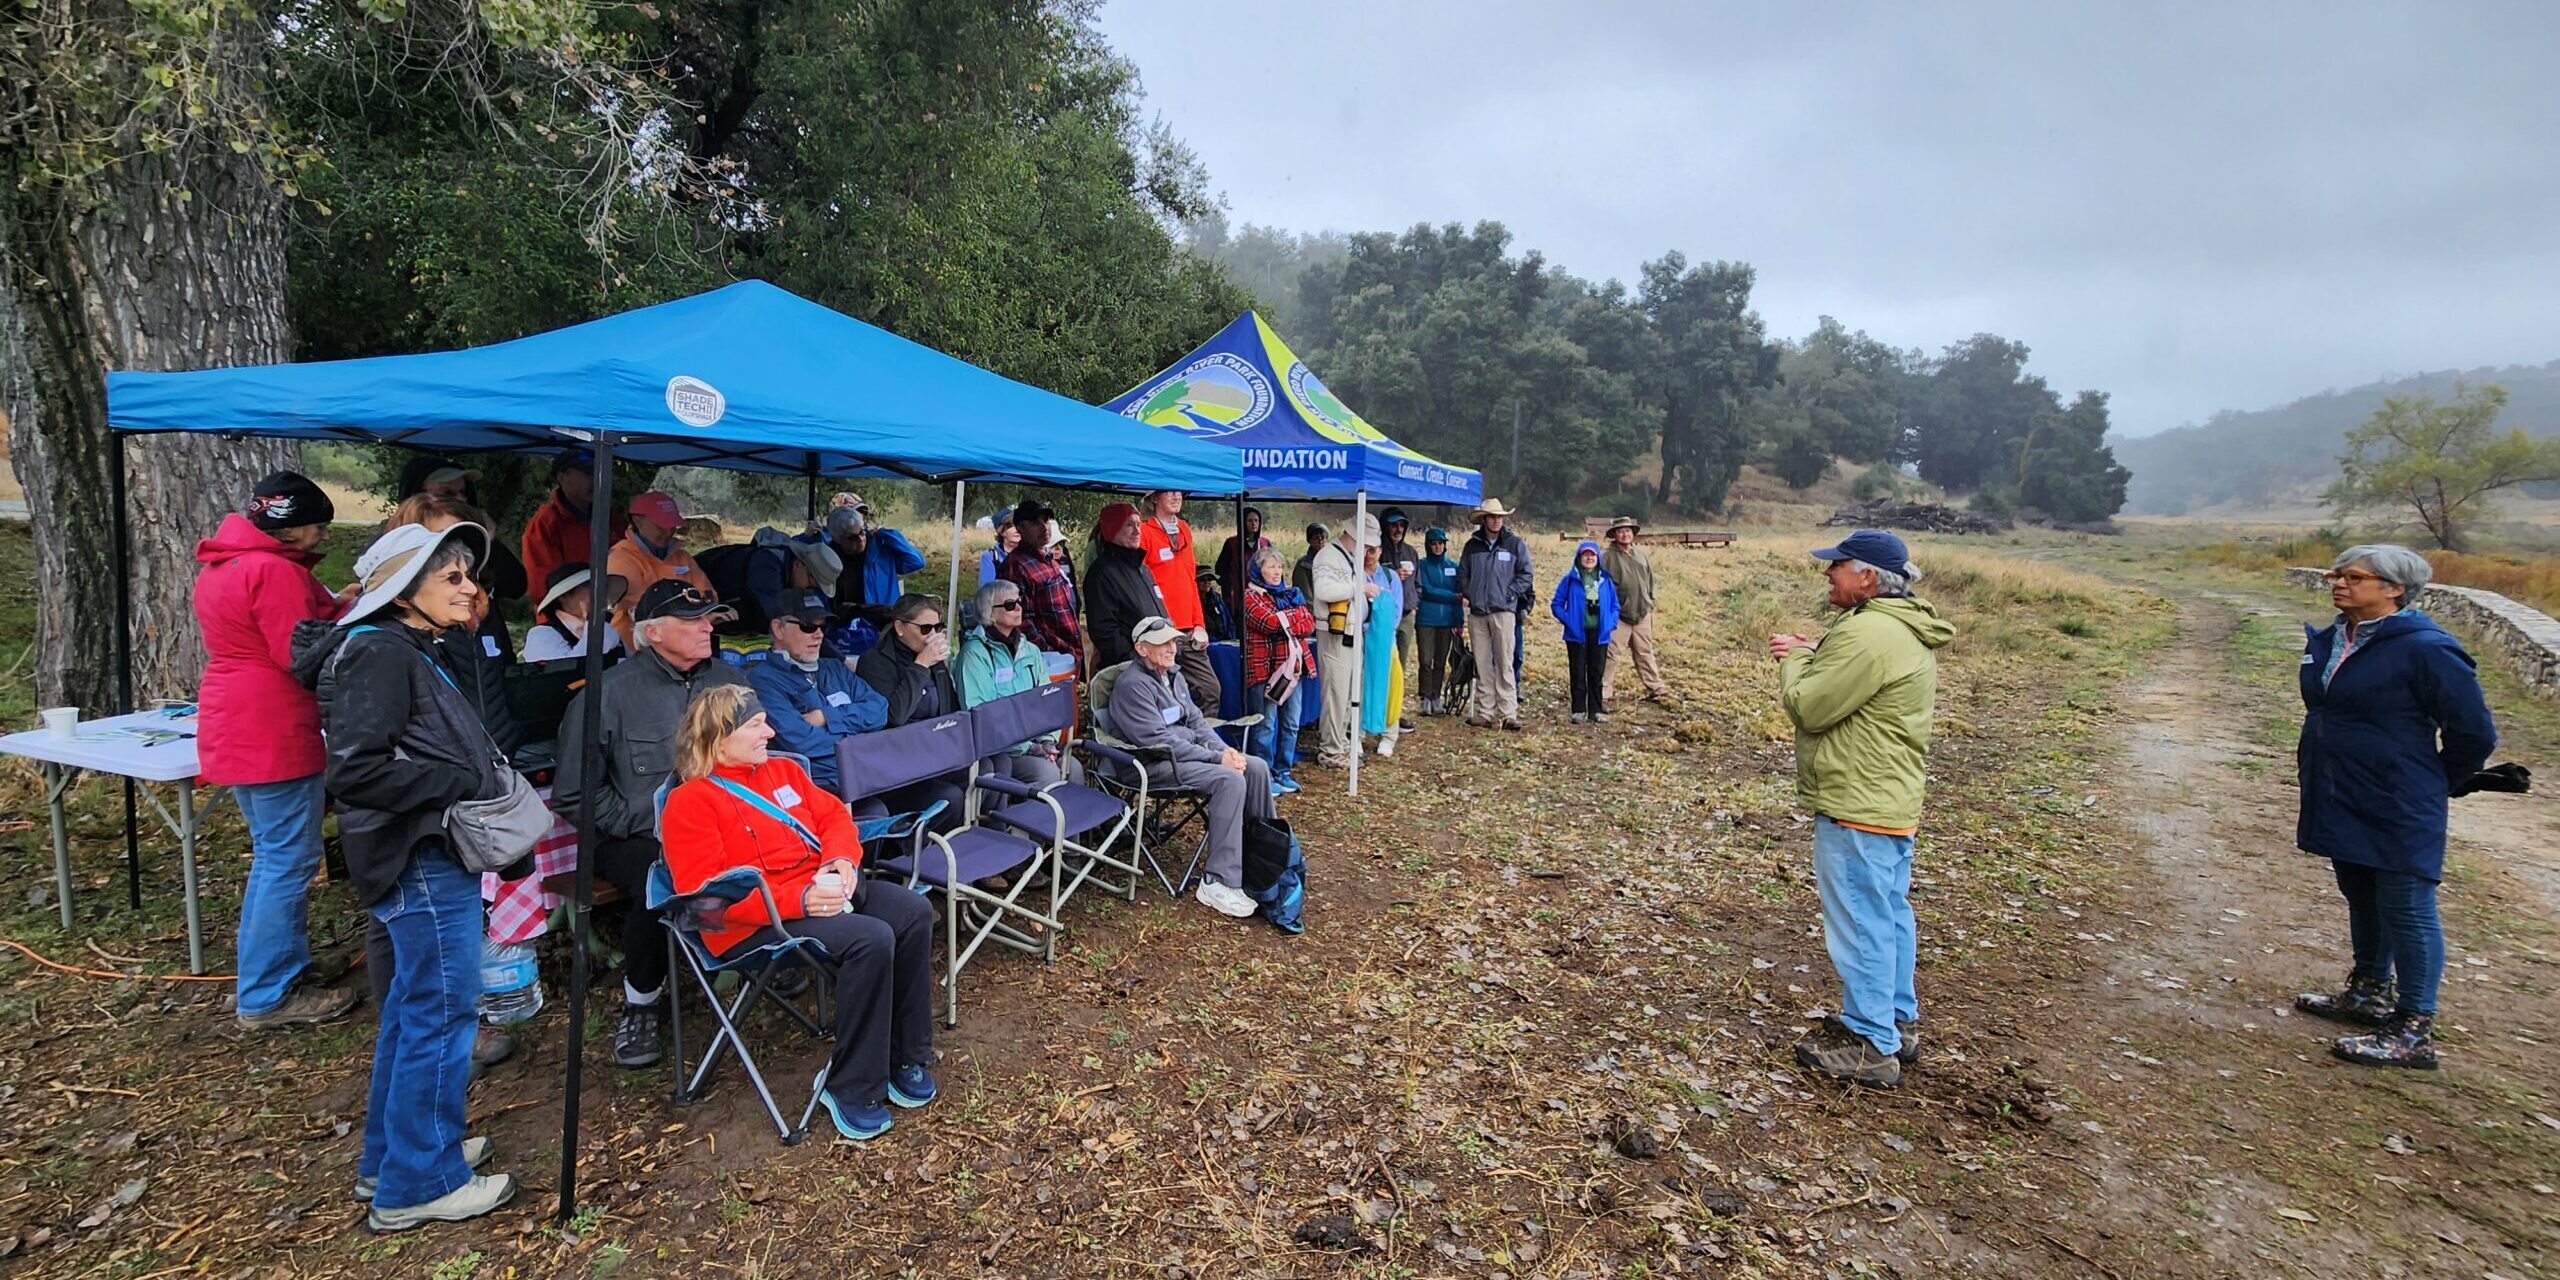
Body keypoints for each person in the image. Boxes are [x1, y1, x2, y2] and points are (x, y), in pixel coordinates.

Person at [301, 521, 518, 1229]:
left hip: (419, 847)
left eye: (469, 576)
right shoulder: (379, 654)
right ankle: (420, 1182)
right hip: (418, 853)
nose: (470, 588)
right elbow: (357, 769)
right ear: (404, 584)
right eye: (451, 576)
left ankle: (394, 1155)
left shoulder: (403, 647)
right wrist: (456, 780)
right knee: (440, 1011)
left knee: (408, 1011)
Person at [657, 684, 938, 1141]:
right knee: (870, 939)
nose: (770, 731)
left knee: (912, 910)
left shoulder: (783, 771)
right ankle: (850, 1086)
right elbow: (707, 902)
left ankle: (904, 1054)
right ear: (718, 737)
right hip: (751, 925)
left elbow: (834, 819)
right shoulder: (690, 803)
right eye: (755, 725)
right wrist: (796, 902)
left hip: (820, 887)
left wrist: (842, 861)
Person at [2293, 545, 2496, 1070]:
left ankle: (2413, 1029)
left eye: (2354, 577)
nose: (2338, 583)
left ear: (2394, 588)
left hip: (2400, 796)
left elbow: (2474, 730)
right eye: (2336, 574)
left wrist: (2439, 780)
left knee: (2406, 905)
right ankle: (2366, 992)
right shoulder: (2336, 637)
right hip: (2340, 788)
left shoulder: (2427, 649)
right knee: (2361, 892)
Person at [1769, 530, 1955, 1089]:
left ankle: (1872, 1043)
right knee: (1889, 913)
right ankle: (1896, 1019)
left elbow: (1810, 706)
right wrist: (1818, 655)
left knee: (1860, 918)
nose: (1828, 574)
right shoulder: (1897, 627)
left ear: (1868, 576)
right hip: (1888, 798)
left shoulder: (1872, 633)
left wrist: (1796, 661)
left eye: (1838, 566)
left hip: (1857, 801)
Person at [554, 579, 748, 1070]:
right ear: (654, 632)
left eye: (710, 617)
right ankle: (642, 1002)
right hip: (633, 836)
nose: (709, 627)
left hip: (723, 823)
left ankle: (753, 954)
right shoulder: (608, 694)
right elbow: (575, 793)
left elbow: (761, 754)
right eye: (693, 621)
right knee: (656, 881)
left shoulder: (728, 680)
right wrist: (648, 823)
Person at [195, 472, 359, 1029]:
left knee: (277, 854)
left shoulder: (228, 563)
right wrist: (355, 622)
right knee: (285, 862)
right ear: (294, 528)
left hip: (236, 717)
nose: (322, 538)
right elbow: (301, 655)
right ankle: (266, 993)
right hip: (272, 724)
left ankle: (285, 967)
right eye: (318, 527)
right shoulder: (273, 571)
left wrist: (333, 604)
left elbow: (277, 631)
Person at [1109, 616, 1274, 920]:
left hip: (1185, 758)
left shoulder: (1174, 676)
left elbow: (1197, 723)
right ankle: (1218, 881)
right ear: (1141, 648)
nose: (1172, 648)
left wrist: (1225, 750)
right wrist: (1216, 759)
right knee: (1230, 780)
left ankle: (1263, 857)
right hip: (1150, 765)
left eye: (1173, 641)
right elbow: (1158, 742)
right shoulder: (1133, 686)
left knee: (1257, 767)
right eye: (1163, 643)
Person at [743, 589, 888, 793]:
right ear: (778, 629)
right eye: (808, 626)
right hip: (815, 788)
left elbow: (880, 710)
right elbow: (801, 741)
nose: (819, 635)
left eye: (822, 626)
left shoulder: (834, 667)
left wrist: (826, 717)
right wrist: (864, 741)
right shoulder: (761, 680)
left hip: (868, 775)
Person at [853, 594, 970, 831]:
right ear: (899, 627)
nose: (933, 635)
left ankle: (977, 842)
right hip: (899, 764)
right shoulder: (875, 662)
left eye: (938, 627)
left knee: (986, 771)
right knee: (950, 797)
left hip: (935, 753)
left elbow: (951, 708)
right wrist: (920, 666)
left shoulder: (934, 658)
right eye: (926, 628)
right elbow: (894, 716)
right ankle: (922, 854)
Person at [957, 579, 1068, 785]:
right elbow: (981, 716)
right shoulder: (974, 655)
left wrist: (1047, 741)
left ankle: (1072, 818)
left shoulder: (1030, 650)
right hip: (1001, 752)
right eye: (1009, 605)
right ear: (989, 612)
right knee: (1048, 774)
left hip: (1036, 742)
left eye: (1019, 602)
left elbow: (1048, 701)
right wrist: (1029, 748)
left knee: (1072, 767)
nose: (1018, 608)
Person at [397, 458, 529, 601]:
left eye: (463, 492)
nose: (460, 500)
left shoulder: (471, 540)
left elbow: (516, 586)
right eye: (446, 493)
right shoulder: (392, 548)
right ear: (416, 497)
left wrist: (487, 542)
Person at [1137, 489, 1222, 709]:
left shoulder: (1184, 529)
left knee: (1210, 690)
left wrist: (1199, 624)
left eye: (1179, 492)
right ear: (1154, 498)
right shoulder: (1145, 532)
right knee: (1165, 698)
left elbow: (1190, 581)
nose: (1176, 497)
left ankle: (1204, 741)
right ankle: (1174, 742)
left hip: (1188, 629)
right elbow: (1141, 585)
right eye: (1169, 492)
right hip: (1160, 629)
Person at [1240, 546, 1314, 796]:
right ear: (1258, 570)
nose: (1276, 571)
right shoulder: (1250, 596)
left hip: (1293, 669)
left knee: (1291, 723)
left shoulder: (1290, 593)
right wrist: (1290, 618)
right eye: (1270, 566)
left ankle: (1283, 771)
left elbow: (1309, 622)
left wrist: (1285, 618)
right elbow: (1268, 622)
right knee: (1265, 725)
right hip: (1266, 669)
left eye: (1279, 566)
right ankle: (1263, 775)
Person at [1457, 499, 1532, 730]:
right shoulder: (1472, 546)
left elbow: (1526, 574)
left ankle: (1508, 712)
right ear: (1484, 520)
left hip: (1503, 612)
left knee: (1504, 661)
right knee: (1482, 662)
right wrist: (1474, 595)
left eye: (1499, 517)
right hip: (1478, 612)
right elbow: (1463, 576)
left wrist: (1509, 594)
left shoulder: (1515, 544)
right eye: (1492, 516)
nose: (1497, 520)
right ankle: (1485, 711)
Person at [605, 491, 714, 646]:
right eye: (661, 526)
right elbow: (645, 610)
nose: (669, 532)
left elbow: (708, 596)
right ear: (638, 521)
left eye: (672, 526)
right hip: (636, 649)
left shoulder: (681, 556)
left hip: (684, 645)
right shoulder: (621, 558)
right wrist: (695, 613)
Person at [520, 448, 625, 596]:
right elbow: (542, 585)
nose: (596, 479)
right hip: (564, 613)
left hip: (608, 608)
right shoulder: (545, 524)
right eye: (588, 474)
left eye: (599, 473)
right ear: (562, 478)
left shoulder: (612, 520)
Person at [699, 526, 842, 633]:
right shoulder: (766, 567)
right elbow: (779, 619)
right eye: (811, 585)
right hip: (704, 609)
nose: (808, 591)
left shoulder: (786, 565)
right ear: (798, 564)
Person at [1308, 517, 1367, 768]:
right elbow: (1324, 591)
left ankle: (1340, 742)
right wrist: (1358, 588)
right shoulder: (1327, 557)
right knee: (1335, 692)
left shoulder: (1346, 556)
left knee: (1347, 692)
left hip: (1350, 631)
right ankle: (1331, 750)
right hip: (1334, 632)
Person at [999, 501, 1082, 674]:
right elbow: (1017, 620)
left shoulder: (1049, 560)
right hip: (1049, 662)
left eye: (1046, 521)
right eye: (1036, 522)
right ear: (1020, 528)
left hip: (1068, 655)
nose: (1044, 527)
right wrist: (1045, 650)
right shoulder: (1016, 566)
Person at [1598, 517, 1673, 704]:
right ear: (1614, 535)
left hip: (1642, 613)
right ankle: (1603, 690)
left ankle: (1656, 687)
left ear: (1633, 534)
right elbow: (1599, 585)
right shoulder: (1606, 557)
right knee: (1611, 653)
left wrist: (1650, 601)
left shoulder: (1640, 555)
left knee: (1645, 652)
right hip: (1618, 616)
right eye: (1621, 531)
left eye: (1628, 531)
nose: (1625, 534)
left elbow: (1649, 581)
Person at [1083, 502, 1164, 674]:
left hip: (1156, 660)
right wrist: (1134, 659)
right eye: (1128, 525)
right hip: (1128, 669)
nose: (1137, 530)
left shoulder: (1142, 568)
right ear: (1112, 529)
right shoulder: (1101, 573)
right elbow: (1103, 629)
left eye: (1138, 524)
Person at [1552, 540, 1623, 724]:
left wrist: (1611, 623)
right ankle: (1578, 710)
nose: (1589, 558)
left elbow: (1615, 605)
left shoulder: (1605, 579)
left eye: (1593, 555)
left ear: (1598, 558)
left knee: (1596, 671)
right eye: (1586, 555)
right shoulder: (1570, 579)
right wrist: (1568, 620)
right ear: (1579, 557)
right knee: (1577, 671)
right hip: (1576, 634)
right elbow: (1557, 604)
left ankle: (1596, 710)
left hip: (1600, 633)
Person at [826, 504, 927, 613]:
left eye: (862, 531)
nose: (860, 539)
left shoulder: (881, 548)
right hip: (844, 621)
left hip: (882, 619)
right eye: (853, 537)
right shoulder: (829, 554)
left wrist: (887, 533)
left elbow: (916, 561)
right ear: (838, 539)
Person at [1360, 522, 1406, 757]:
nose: (1370, 554)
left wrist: (1377, 628)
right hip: (1360, 643)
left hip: (1386, 643)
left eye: (1374, 549)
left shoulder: (1390, 578)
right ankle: (1357, 734)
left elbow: (1396, 612)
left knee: (1390, 688)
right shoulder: (1354, 575)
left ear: (1380, 551)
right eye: (1365, 549)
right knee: (1359, 687)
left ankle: (1389, 735)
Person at [520, 563, 626, 664]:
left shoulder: (609, 628)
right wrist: (596, 626)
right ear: (564, 596)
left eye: (604, 586)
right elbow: (571, 671)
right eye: (590, 586)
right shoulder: (541, 635)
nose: (601, 593)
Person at [1413, 527, 1463, 716]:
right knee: (1425, 659)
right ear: (1428, 546)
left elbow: (1459, 593)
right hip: (1427, 618)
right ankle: (1425, 695)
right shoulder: (1422, 565)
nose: (1437, 547)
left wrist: (1459, 621)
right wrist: (1453, 597)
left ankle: (1436, 695)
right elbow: (1427, 590)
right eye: (1433, 544)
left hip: (1448, 620)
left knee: (1441, 661)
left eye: (1440, 543)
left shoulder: (1453, 566)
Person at [1379, 509, 1420, 731]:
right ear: (1386, 526)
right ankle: (1380, 711)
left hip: (1406, 617)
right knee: (1383, 666)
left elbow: (1418, 584)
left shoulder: (1411, 552)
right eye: (1394, 525)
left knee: (1400, 667)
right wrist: (1393, 573)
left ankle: (1396, 714)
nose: (1398, 530)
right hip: (1383, 618)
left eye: (1402, 526)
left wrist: (1414, 606)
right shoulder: (1377, 551)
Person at [1216, 505, 1269, 616]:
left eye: (1256, 520)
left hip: (1260, 593)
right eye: (1250, 520)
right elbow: (1221, 568)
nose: (1254, 524)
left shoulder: (1265, 543)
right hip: (1237, 595)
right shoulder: (1232, 543)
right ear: (1243, 522)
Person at [977, 509, 1019, 588]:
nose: (1016, 530)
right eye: (1010, 526)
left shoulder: (1031, 553)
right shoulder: (990, 556)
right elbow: (987, 590)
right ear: (1001, 531)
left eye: (1018, 524)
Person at [1292, 522, 1329, 599]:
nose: (1320, 541)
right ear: (1309, 541)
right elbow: (1305, 596)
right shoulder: (1303, 565)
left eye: (1323, 537)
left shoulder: (1334, 561)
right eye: (1316, 538)